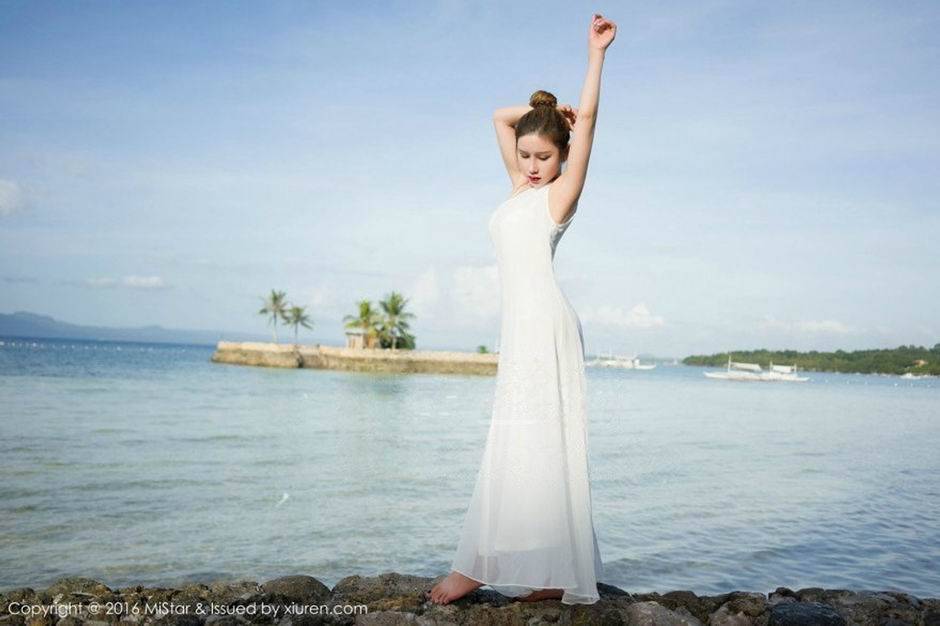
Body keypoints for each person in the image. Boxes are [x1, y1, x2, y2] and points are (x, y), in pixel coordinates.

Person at [427, 13, 616, 606]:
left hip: (546, 325)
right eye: (526, 154)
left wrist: (593, 59)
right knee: (523, 440)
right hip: (522, 328)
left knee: (531, 439)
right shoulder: (518, 190)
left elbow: (586, 126)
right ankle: (551, 575)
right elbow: (499, 117)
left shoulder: (558, 198)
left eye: (544, 155)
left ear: (561, 158)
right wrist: (545, 111)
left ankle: (481, 566)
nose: (533, 163)